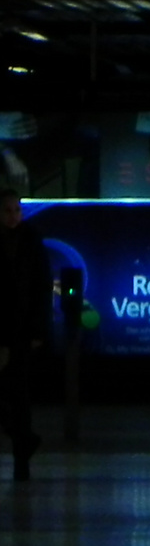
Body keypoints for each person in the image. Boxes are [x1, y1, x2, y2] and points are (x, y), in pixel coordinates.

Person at [0, 189, 48, 481]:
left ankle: (21, 461)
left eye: (17, 210)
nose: (14, 216)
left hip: (21, 329)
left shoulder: (31, 239)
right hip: (2, 327)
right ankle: (22, 439)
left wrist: (39, 329)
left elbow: (42, 286)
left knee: (19, 393)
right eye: (8, 210)